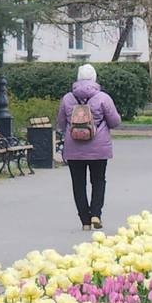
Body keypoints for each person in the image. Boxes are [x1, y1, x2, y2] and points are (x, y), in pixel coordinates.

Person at [56, 64, 122, 231]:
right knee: (98, 181)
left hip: (74, 149)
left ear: (78, 78)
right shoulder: (103, 98)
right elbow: (114, 122)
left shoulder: (67, 99)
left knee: (78, 184)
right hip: (99, 149)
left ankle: (85, 221)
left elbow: (61, 123)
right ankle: (96, 214)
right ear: (94, 78)